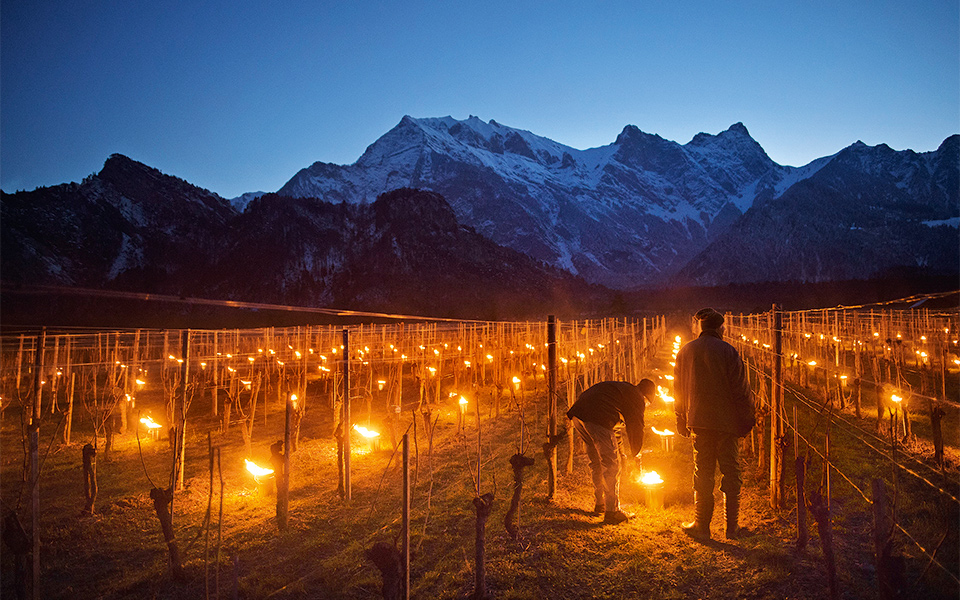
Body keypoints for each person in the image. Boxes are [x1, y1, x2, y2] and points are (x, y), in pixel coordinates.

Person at [674, 308, 755, 540]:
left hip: (699, 421)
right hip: (726, 423)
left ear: (701, 328)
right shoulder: (728, 351)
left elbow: (678, 390)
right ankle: (732, 528)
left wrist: (681, 417)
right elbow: (741, 389)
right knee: (731, 471)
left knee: (703, 471)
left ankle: (701, 527)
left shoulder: (685, 351)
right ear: (721, 328)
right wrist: (747, 419)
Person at [567, 378, 656, 524]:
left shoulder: (624, 392)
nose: (645, 406)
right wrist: (637, 457)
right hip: (597, 416)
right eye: (647, 403)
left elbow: (615, 431)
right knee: (611, 465)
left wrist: (623, 455)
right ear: (646, 396)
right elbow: (636, 429)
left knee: (596, 461)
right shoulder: (637, 397)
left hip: (579, 414)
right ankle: (612, 512)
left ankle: (600, 504)